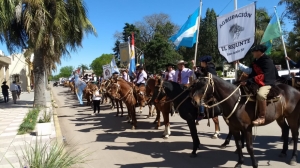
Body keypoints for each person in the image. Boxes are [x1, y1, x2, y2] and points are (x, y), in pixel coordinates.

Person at [241, 44, 277, 126]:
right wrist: (239, 65)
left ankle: (262, 116)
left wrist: (248, 81)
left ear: (259, 52)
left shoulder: (267, 61)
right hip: (256, 81)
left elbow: (264, 76)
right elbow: (251, 71)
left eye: (254, 51)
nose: (253, 53)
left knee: (261, 95)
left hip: (266, 82)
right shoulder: (256, 61)